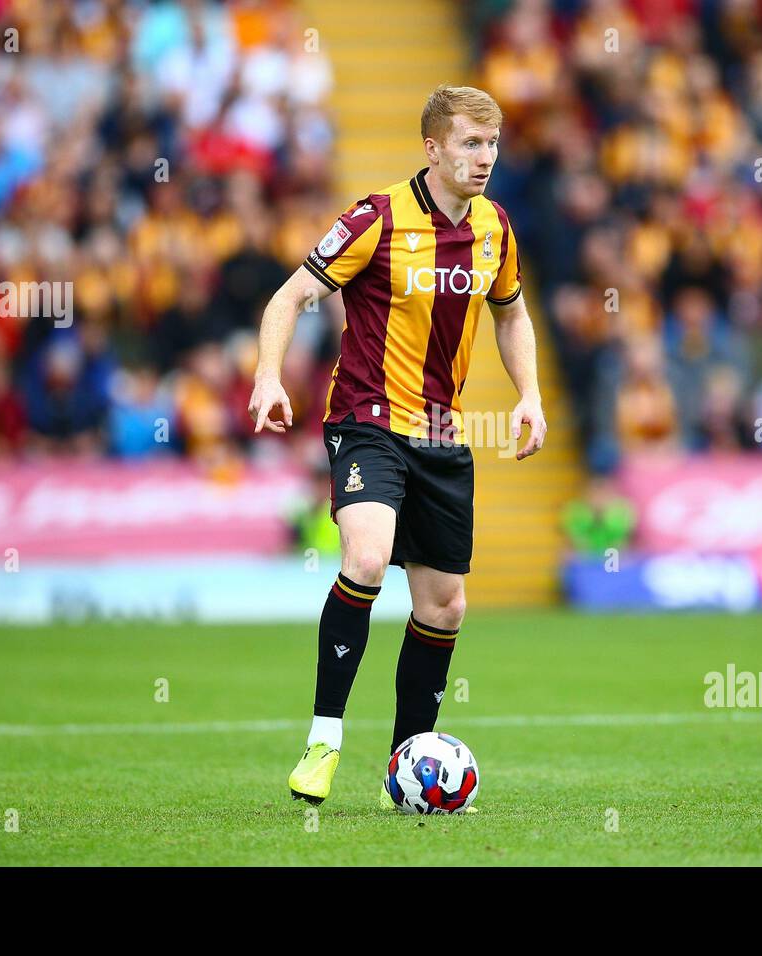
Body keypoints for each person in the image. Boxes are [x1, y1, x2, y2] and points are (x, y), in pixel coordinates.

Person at [247, 86, 547, 810]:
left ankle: (404, 767)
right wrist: (267, 377)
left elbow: (511, 315)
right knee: (368, 557)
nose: (485, 158)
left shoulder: (494, 229)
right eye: (471, 144)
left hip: (443, 432)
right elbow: (289, 298)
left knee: (444, 608)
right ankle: (323, 741)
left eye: (492, 144)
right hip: (367, 420)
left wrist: (530, 395)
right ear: (433, 148)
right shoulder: (374, 219)